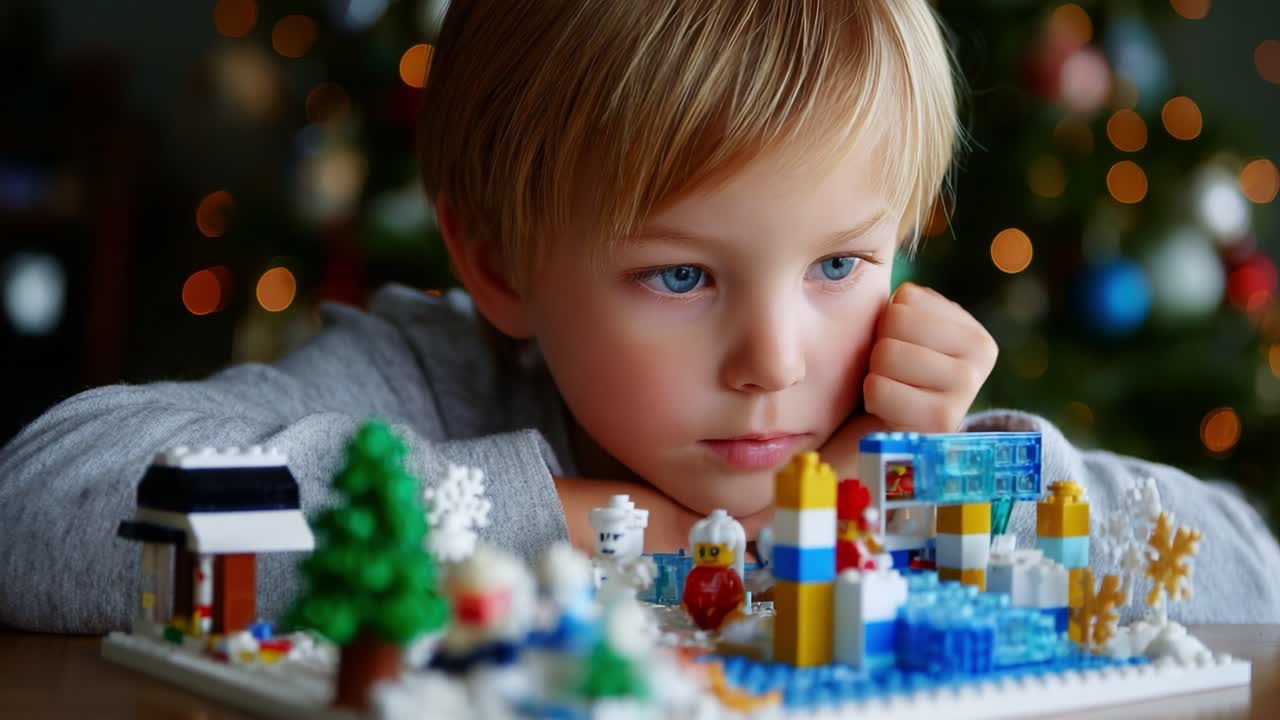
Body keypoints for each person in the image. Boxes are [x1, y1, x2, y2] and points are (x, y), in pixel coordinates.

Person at [1, 0, 1277, 633]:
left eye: (840, 265)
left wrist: (972, 486)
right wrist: (561, 528)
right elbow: (41, 505)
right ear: (499, 263)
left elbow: (1249, 577)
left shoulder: (902, 460)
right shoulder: (432, 382)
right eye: (679, 277)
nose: (775, 362)